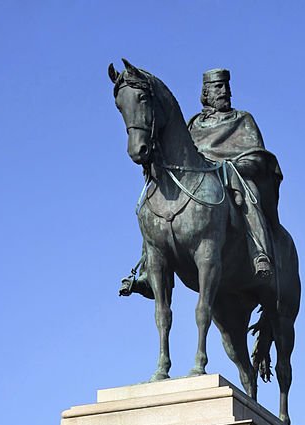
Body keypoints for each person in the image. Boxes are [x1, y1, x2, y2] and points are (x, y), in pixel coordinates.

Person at [120, 67, 281, 297]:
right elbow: (185, 152)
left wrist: (235, 165)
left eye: (226, 86)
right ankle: (147, 266)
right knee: (153, 203)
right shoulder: (194, 123)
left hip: (231, 172)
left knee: (250, 190)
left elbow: (256, 154)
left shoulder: (242, 119)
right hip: (203, 177)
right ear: (205, 93)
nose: (225, 91)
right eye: (218, 87)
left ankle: (259, 252)